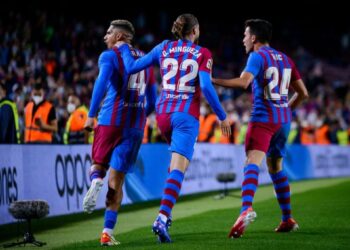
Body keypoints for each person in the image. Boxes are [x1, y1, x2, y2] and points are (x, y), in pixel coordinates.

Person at [117, 13, 231, 243]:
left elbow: (131, 67)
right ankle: (162, 216)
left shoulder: (163, 47)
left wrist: (122, 47)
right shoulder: (203, 53)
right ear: (195, 30)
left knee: (175, 166)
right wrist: (222, 115)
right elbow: (207, 88)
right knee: (179, 168)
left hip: (162, 115)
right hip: (185, 115)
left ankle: (165, 217)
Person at [212, 19, 309, 238]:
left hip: (263, 118)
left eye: (245, 35)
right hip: (283, 121)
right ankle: (287, 219)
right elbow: (303, 93)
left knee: (251, 162)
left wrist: (212, 80)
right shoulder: (285, 58)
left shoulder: (256, 56)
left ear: (254, 38)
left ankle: (245, 208)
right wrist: (285, 110)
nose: (243, 39)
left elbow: (244, 82)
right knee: (275, 166)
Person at [82, 20, 157, 246]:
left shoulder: (109, 56)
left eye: (108, 33)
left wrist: (91, 113)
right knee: (118, 181)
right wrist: (140, 114)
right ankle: (106, 232)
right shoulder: (147, 59)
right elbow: (153, 100)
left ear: (119, 36)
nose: (105, 37)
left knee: (98, 165)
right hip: (134, 127)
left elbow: (101, 83)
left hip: (109, 121)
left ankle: (96, 181)